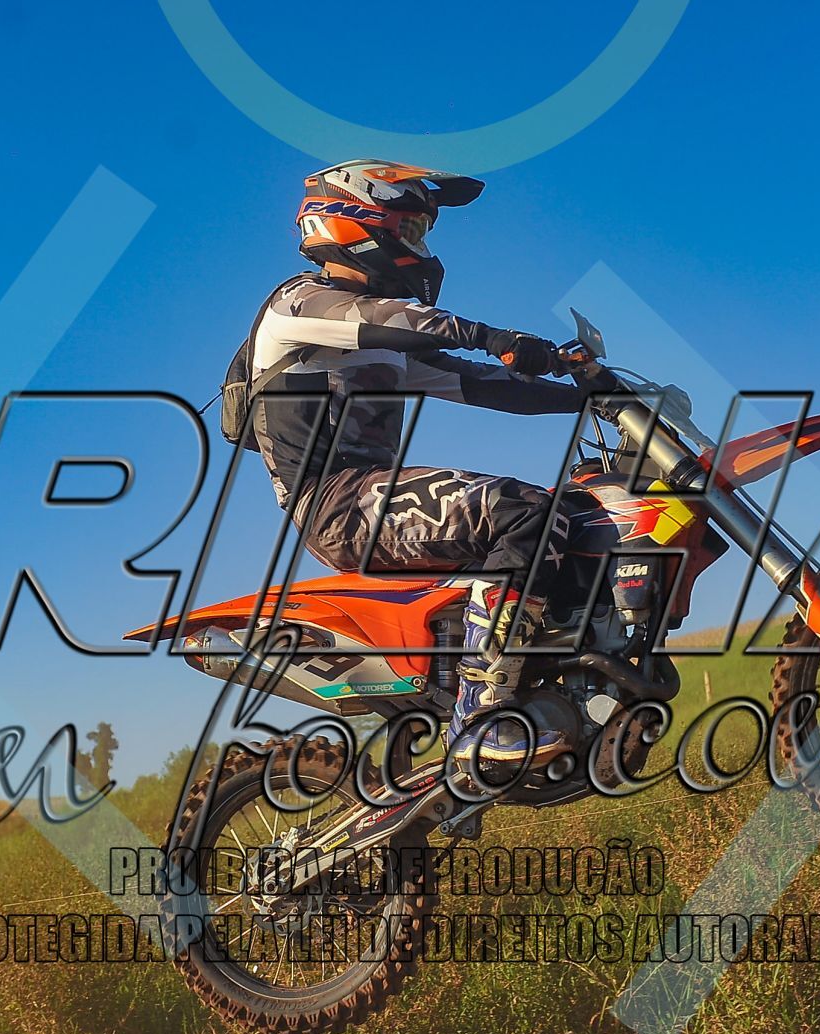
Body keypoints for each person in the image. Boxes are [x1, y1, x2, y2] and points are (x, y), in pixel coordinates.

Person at [239, 159, 595, 776]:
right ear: (353, 221)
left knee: (574, 513)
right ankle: (480, 718)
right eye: (410, 229)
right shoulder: (298, 305)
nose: (420, 247)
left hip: (368, 500)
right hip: (336, 505)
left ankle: (552, 684)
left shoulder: (383, 343)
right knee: (522, 512)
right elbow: (396, 324)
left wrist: (593, 396)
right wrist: (495, 336)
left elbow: (486, 386)